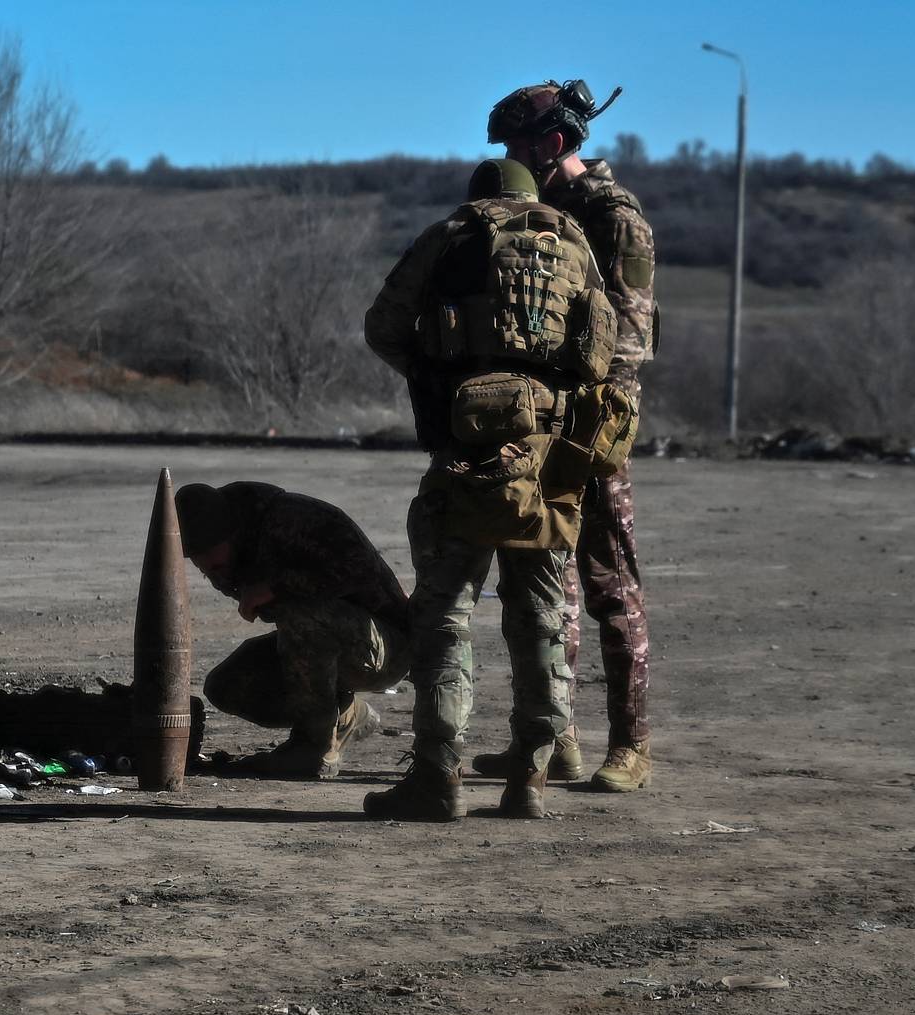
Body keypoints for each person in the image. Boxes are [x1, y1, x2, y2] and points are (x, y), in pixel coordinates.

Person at [361, 157, 616, 821]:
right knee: (539, 617)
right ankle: (529, 777)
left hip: (466, 454)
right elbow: (603, 343)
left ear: (479, 197)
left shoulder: (450, 236)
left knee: (445, 613)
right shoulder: (572, 243)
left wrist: (435, 374)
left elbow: (382, 326)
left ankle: (436, 777)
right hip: (549, 462)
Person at [473, 79, 657, 794]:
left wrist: (573, 404)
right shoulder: (534, 216)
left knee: (610, 586)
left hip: (592, 426)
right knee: (551, 590)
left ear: (553, 145)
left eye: (519, 148)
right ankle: (556, 740)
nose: (510, 161)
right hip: (541, 426)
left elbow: (630, 343)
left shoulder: (614, 219)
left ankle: (631, 747)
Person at [174, 481, 409, 778]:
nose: (207, 566)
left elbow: (360, 569)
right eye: (197, 558)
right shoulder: (230, 557)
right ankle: (343, 714)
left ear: (232, 532)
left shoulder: (292, 519)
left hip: (386, 646)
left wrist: (275, 588)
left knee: (300, 613)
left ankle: (314, 746)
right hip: (331, 641)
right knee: (227, 685)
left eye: (210, 552)